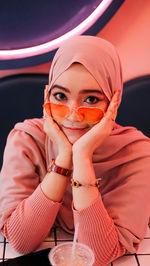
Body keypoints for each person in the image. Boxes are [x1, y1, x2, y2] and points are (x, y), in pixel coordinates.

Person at [0, 35, 150, 266]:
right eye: (60, 96)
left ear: (113, 102)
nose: (73, 114)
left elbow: (97, 255)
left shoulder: (137, 153)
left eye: (91, 99)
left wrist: (82, 156)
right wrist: (63, 159)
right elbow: (21, 240)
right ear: (46, 95)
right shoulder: (26, 138)